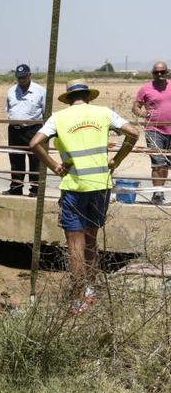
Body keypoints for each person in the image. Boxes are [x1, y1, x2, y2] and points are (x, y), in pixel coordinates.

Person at [29, 79, 139, 312]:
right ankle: (91, 288)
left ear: (68, 98)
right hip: (101, 186)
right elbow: (133, 132)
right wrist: (116, 161)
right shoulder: (103, 113)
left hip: (75, 188)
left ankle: (79, 297)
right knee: (91, 239)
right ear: (88, 96)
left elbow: (35, 143)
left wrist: (54, 166)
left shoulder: (59, 118)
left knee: (75, 245)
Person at [4, 64, 47, 196]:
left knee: (35, 160)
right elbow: (8, 109)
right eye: (19, 77)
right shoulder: (11, 91)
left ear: (29, 75)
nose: (21, 79)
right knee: (16, 160)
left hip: (33, 129)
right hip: (14, 130)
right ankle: (16, 188)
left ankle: (35, 190)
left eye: (23, 77)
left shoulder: (40, 91)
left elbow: (46, 112)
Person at [132, 61, 171, 205]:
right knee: (157, 162)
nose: (159, 74)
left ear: (167, 72)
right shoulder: (145, 89)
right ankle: (158, 193)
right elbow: (136, 107)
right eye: (156, 72)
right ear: (152, 73)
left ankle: (161, 190)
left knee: (166, 163)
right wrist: (143, 114)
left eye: (162, 72)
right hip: (154, 130)